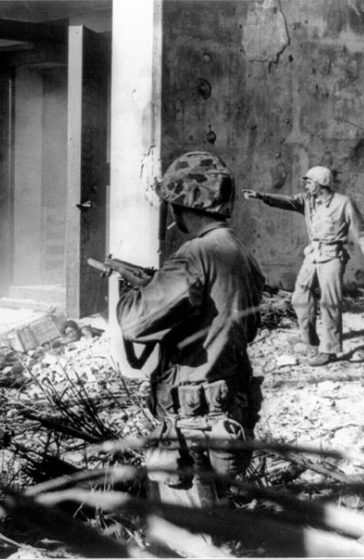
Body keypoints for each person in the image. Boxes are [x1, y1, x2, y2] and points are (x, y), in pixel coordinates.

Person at [116, 151, 265, 512]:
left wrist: (132, 292)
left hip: (191, 422)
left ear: (182, 203)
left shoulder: (195, 253)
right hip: (227, 409)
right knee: (216, 515)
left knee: (189, 532)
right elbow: (235, 324)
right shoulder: (239, 253)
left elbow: (134, 323)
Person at [243, 166, 364, 366]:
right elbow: (288, 201)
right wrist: (261, 196)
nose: (306, 185)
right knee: (300, 295)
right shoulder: (307, 200)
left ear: (321, 183)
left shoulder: (343, 203)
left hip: (332, 257)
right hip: (313, 255)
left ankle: (329, 350)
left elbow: (360, 232)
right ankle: (310, 341)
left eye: (309, 181)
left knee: (330, 302)